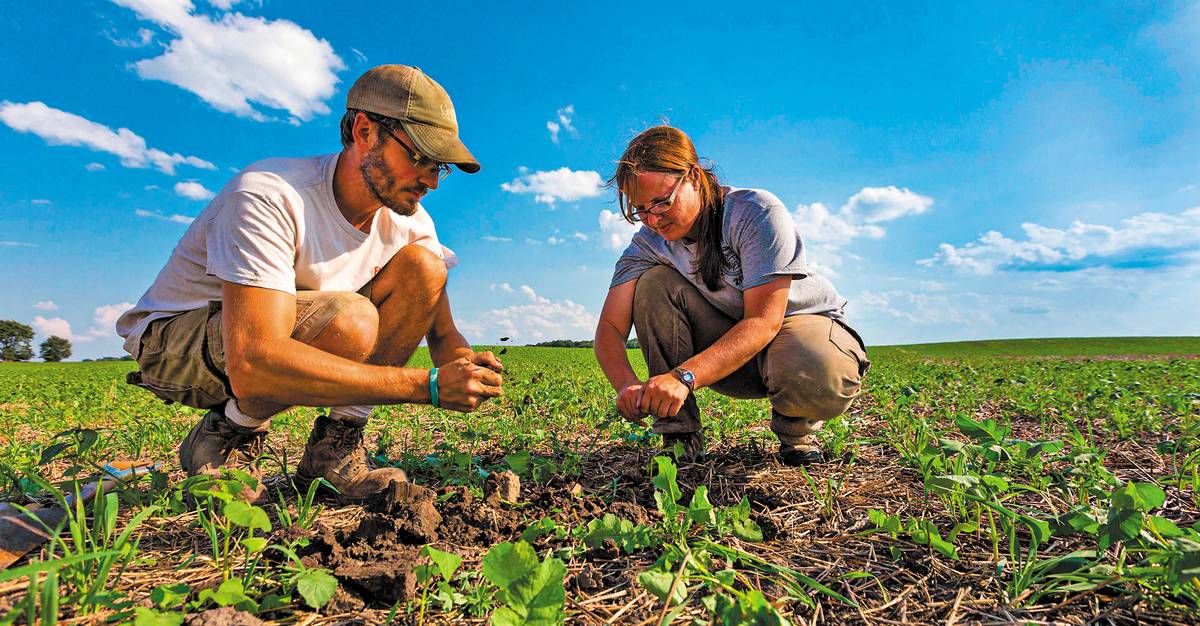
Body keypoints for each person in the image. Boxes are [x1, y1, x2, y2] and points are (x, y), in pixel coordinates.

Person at [116, 65, 503, 502]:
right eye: (420, 158)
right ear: (364, 131)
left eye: (440, 168)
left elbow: (443, 333)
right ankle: (226, 438)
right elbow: (255, 360)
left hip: (270, 337)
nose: (432, 181)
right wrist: (425, 386)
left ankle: (334, 452)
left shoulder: (411, 224)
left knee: (426, 269)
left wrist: (466, 366)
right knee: (351, 321)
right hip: (176, 343)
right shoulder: (270, 194)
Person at [593, 126, 870, 465]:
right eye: (639, 209)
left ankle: (797, 434)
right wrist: (625, 385)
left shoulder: (754, 212)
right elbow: (610, 327)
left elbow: (764, 321)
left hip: (795, 333)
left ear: (694, 176)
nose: (652, 218)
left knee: (817, 366)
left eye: (662, 202)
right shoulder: (648, 244)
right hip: (731, 356)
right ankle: (679, 436)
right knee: (652, 284)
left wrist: (684, 376)